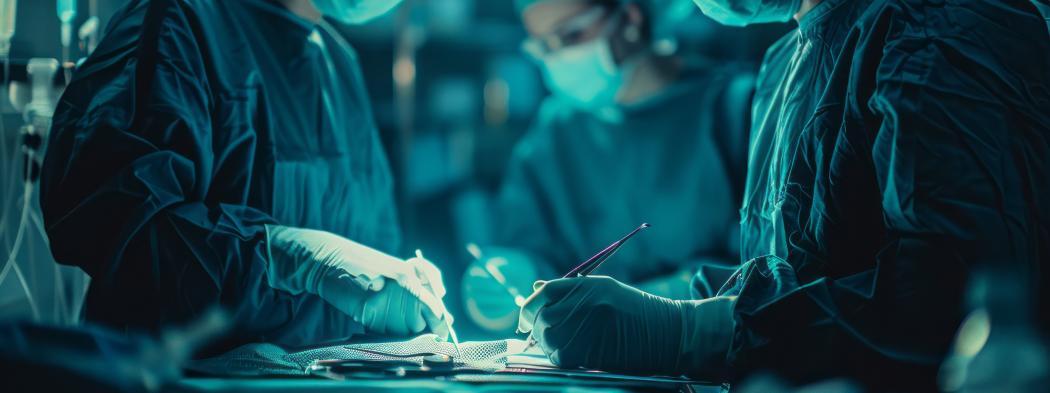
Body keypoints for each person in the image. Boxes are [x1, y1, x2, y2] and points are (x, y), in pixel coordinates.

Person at [519, 0, 1050, 389]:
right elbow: (793, 268)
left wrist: (690, 330)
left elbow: (948, 299)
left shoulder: (939, 27)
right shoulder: (785, 63)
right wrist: (681, 298)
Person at [40, 0, 452, 352]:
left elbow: (376, 244)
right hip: (169, 376)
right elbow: (118, 227)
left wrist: (403, 296)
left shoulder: (337, 64)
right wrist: (289, 257)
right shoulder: (180, 23)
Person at [463, 0, 754, 331]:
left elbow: (767, 266)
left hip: (714, 350)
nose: (557, 58)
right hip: (590, 361)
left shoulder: (735, 109)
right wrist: (519, 271)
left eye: (570, 36)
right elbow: (535, 247)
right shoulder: (555, 132)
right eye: (543, 46)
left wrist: (667, 301)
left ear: (629, 16)